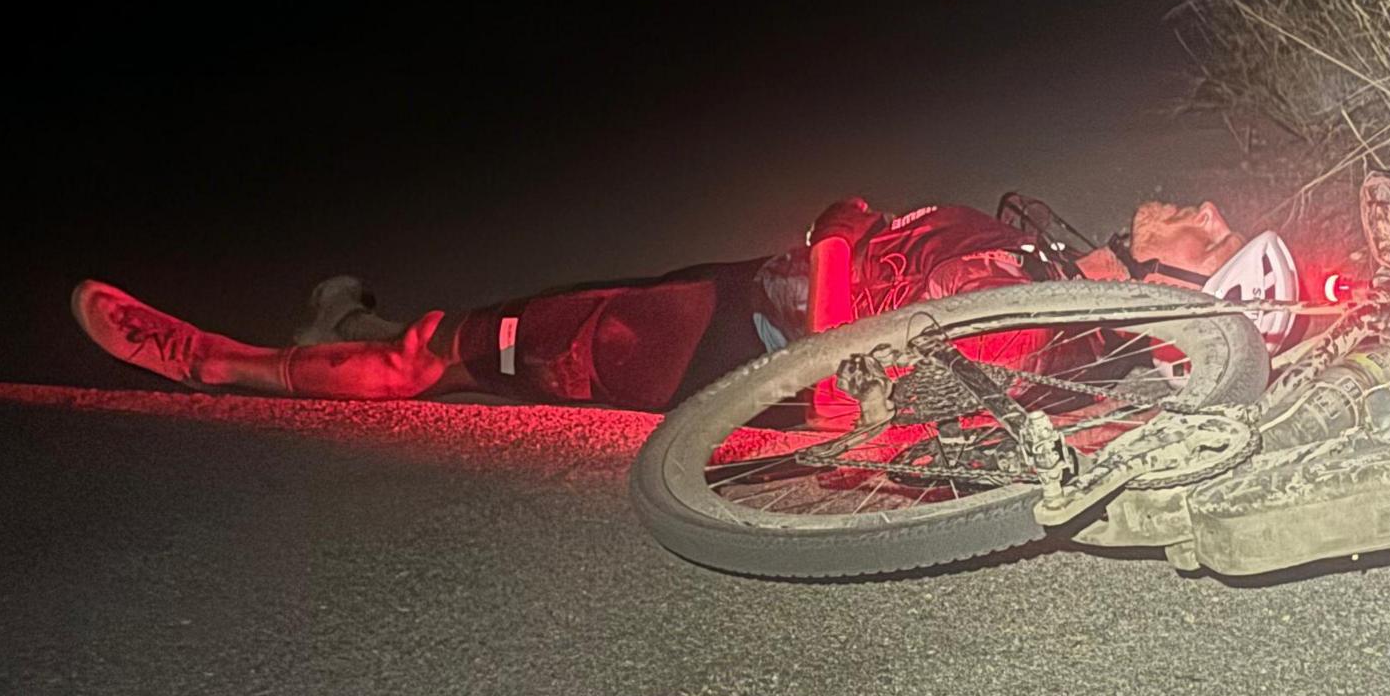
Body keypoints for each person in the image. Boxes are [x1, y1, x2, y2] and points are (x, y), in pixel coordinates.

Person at [71, 196, 1251, 408]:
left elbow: (894, 414)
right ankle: (349, 324)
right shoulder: (1041, 250)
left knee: (454, 358)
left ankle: (217, 365)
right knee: (477, 332)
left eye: (1213, 229)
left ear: (1174, 280)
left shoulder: (1055, 328)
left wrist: (836, 271)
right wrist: (847, 229)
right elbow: (857, 227)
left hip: (695, 353)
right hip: (724, 296)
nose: (1200, 202)